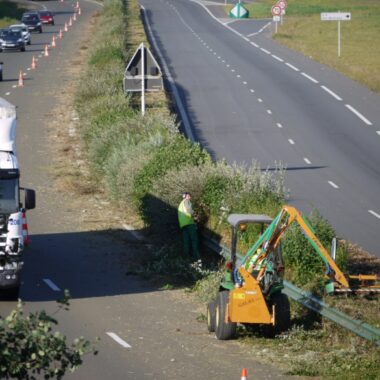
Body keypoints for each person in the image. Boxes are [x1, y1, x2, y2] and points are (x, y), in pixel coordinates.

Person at [177, 192, 200, 260]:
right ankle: (196, 256)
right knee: (194, 239)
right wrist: (195, 215)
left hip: (183, 225)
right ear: (186, 196)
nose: (190, 198)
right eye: (189, 196)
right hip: (189, 223)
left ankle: (186, 257)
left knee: (186, 241)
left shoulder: (181, 204)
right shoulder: (186, 201)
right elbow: (189, 210)